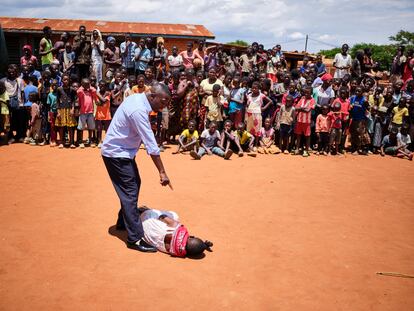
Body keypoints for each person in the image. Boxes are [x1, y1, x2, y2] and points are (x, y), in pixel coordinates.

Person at [101, 83, 172, 252]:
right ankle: (135, 238)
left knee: (133, 185)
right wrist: (162, 172)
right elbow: (151, 144)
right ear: (152, 96)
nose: (165, 106)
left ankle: (123, 221)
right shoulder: (139, 110)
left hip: (121, 152)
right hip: (117, 154)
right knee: (130, 190)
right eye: (163, 102)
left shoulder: (137, 100)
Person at [138, 206, 213, 258]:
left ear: (191, 238)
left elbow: (162, 217)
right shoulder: (177, 253)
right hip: (141, 232)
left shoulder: (179, 228)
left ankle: (144, 211)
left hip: (146, 218)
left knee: (174, 216)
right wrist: (204, 246)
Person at [56, 74, 77, 148]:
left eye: (67, 79)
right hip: (61, 109)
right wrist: (58, 111)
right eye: (64, 79)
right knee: (61, 127)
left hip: (69, 110)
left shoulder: (72, 90)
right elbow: (57, 101)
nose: (66, 81)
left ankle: (71, 142)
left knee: (71, 127)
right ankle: (61, 142)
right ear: (62, 80)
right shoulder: (59, 89)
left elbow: (74, 100)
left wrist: (72, 109)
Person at [293, 86, 315, 157]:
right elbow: (296, 107)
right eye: (305, 92)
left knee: (307, 136)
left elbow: (308, 110)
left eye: (308, 93)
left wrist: (300, 108)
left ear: (311, 93)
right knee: (298, 135)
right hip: (299, 120)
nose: (306, 94)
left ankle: (306, 150)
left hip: (307, 121)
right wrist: (303, 108)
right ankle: (297, 148)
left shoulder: (312, 100)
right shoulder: (302, 99)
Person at [77, 78, 98, 148]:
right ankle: (81, 141)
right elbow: (79, 92)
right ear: (82, 85)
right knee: (82, 127)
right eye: (86, 85)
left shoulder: (91, 90)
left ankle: (90, 139)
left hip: (90, 111)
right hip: (83, 112)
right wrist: (84, 88)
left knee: (91, 127)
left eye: (88, 84)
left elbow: (95, 91)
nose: (88, 86)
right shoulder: (81, 91)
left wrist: (90, 87)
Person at [350, 86, 370, 155]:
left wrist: (366, 103)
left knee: (359, 135)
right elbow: (349, 105)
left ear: (362, 92)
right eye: (356, 91)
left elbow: (368, 108)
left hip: (361, 120)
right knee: (353, 133)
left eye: (359, 91)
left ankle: (358, 149)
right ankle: (353, 147)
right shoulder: (353, 98)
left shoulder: (364, 100)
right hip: (354, 118)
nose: (357, 92)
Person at [47, 80, 59, 147]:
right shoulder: (50, 94)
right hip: (52, 111)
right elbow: (48, 105)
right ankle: (53, 140)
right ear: (51, 86)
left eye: (56, 84)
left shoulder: (59, 93)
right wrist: (49, 114)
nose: (54, 86)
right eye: (53, 85)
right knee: (52, 126)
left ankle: (60, 140)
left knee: (59, 126)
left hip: (59, 112)